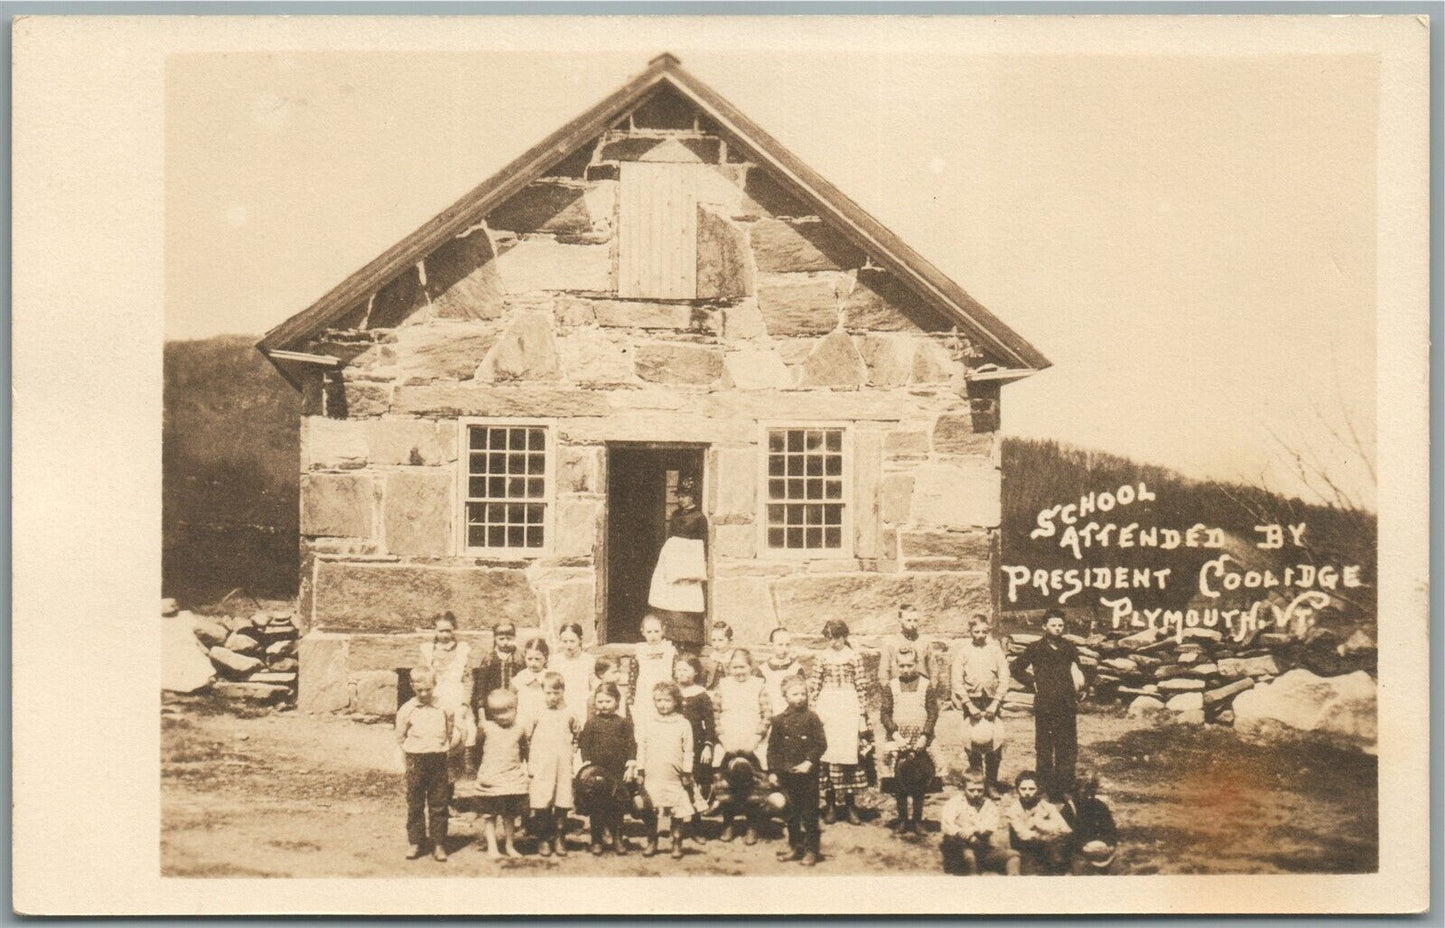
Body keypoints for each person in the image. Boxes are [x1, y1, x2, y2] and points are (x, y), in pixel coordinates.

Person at [1010, 614, 1084, 800]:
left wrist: (1083, 689)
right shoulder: (1036, 648)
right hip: (1045, 706)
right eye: (1054, 625)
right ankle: (1043, 786)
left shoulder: (1069, 648)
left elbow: (1079, 672)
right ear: (1044, 626)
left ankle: (1065, 785)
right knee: (1044, 747)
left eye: (1061, 625)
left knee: (1067, 746)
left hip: (1066, 704)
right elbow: (1016, 667)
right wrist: (1031, 682)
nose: (1058, 628)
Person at [809, 619, 873, 825]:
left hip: (848, 707)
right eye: (829, 637)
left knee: (848, 755)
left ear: (845, 636)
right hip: (828, 707)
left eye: (837, 637)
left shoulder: (853, 657)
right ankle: (829, 805)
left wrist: (862, 713)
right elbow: (815, 685)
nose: (833, 642)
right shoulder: (822, 657)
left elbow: (862, 686)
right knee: (828, 754)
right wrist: (813, 711)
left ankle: (850, 804)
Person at [395, 666, 462, 862]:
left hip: (438, 759)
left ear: (435, 686)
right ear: (412, 687)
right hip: (416, 759)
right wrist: (412, 752)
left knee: (439, 803)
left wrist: (443, 745)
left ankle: (439, 843)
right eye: (419, 690)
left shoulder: (444, 707)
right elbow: (400, 736)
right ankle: (416, 841)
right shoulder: (407, 709)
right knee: (415, 803)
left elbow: (449, 728)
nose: (424, 694)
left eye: (428, 690)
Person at [767, 675, 826, 867]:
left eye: (803, 693)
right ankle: (795, 847)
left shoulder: (812, 718)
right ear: (785, 696)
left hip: (807, 776)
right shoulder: (778, 721)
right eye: (795, 694)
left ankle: (811, 850)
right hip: (786, 775)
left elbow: (821, 744)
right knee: (791, 813)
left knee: (809, 813)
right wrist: (774, 772)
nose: (800, 697)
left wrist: (809, 761)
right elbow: (772, 749)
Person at [879, 646, 940, 835]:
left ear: (917, 664)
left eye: (910, 665)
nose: (905, 669)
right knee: (899, 782)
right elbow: (885, 713)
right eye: (901, 665)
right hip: (899, 739)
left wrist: (925, 735)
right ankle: (903, 819)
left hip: (920, 740)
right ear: (896, 665)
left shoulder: (925, 685)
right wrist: (895, 734)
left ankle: (918, 820)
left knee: (919, 781)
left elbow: (932, 712)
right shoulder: (891, 686)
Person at [712, 648, 770, 843]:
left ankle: (752, 825)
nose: (739, 671)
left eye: (743, 667)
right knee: (726, 783)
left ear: (751, 667)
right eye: (735, 667)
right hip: (728, 739)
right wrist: (723, 738)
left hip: (752, 740)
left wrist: (755, 738)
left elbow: (766, 714)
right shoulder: (723, 685)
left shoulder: (758, 685)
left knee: (753, 783)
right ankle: (728, 823)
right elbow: (715, 715)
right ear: (729, 668)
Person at [951, 614, 1011, 796]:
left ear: (989, 631)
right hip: (972, 701)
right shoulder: (963, 652)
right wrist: (968, 704)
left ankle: (991, 784)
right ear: (969, 631)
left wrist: (996, 702)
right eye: (976, 631)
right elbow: (956, 680)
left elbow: (1004, 677)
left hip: (991, 700)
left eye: (984, 631)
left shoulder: (995, 651)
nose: (980, 635)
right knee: (974, 744)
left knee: (993, 743)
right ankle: (977, 783)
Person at [635, 681, 696, 859]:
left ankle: (676, 841)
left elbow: (688, 751)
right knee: (649, 808)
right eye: (659, 700)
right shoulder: (649, 723)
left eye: (667, 700)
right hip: (653, 775)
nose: (663, 704)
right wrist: (640, 770)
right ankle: (652, 840)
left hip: (674, 776)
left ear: (676, 701)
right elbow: (642, 747)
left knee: (678, 809)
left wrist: (686, 772)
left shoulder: (683, 724)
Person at [647, 477, 709, 648]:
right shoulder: (675, 515)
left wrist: (696, 564)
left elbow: (702, 543)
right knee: (670, 595)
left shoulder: (699, 518)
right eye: (679, 496)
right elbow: (670, 538)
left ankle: (689, 639)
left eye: (684, 496)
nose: (681, 499)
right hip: (674, 560)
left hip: (689, 563)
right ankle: (672, 636)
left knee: (687, 594)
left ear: (692, 497)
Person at [576, 682, 636, 856]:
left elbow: (632, 744)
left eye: (608, 701)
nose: (603, 705)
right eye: (600, 701)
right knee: (597, 806)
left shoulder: (623, 723)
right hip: (597, 772)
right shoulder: (591, 723)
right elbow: (584, 745)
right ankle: (596, 840)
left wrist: (631, 762)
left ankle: (617, 838)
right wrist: (587, 762)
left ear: (616, 702)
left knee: (617, 806)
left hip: (617, 771)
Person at [526, 671, 579, 858]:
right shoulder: (536, 712)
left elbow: (576, 736)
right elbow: (527, 737)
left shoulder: (570, 712)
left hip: (563, 763)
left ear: (563, 691)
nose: (552, 697)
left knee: (562, 799)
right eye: (548, 693)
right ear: (542, 692)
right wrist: (530, 765)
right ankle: (543, 838)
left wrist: (572, 751)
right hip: (542, 763)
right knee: (542, 799)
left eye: (556, 693)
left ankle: (559, 837)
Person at [473, 688, 529, 860]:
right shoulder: (486, 728)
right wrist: (481, 771)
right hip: (490, 779)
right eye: (496, 713)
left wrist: (526, 770)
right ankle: (492, 847)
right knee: (489, 815)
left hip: (511, 779)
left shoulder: (520, 730)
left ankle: (510, 846)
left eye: (507, 711)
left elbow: (525, 751)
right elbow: (477, 752)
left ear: (516, 709)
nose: (502, 716)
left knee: (509, 815)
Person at [419, 612, 477, 777]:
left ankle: (467, 761)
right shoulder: (428, 650)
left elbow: (468, 680)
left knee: (467, 725)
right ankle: (444, 762)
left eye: (448, 631)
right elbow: (422, 676)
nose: (445, 635)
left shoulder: (462, 650)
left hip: (457, 693)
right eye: (441, 631)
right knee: (439, 727)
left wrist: (465, 703)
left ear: (454, 630)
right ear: (434, 631)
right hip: (437, 694)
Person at [939, 772, 1020, 875]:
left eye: (980, 790)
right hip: (960, 848)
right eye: (971, 790)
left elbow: (990, 826)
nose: (976, 794)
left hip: (982, 848)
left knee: (1013, 856)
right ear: (963, 788)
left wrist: (974, 829)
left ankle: (1015, 884)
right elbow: (947, 826)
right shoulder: (953, 804)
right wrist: (967, 837)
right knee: (969, 858)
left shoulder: (989, 805)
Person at [674, 654, 715, 839]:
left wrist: (708, 745)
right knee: (676, 784)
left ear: (695, 672)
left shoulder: (701, 695)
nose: (681, 673)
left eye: (686, 669)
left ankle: (696, 828)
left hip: (696, 746)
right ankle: (678, 827)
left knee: (695, 784)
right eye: (678, 669)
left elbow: (710, 723)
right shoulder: (672, 692)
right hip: (675, 745)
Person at [1003, 770, 1072, 875]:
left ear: (1038, 789)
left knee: (1059, 865)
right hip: (1025, 852)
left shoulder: (1046, 806)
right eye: (1023, 789)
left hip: (1048, 849)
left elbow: (1066, 829)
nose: (1027, 792)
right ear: (1017, 790)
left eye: (1031, 789)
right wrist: (1047, 832)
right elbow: (1024, 835)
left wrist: (1041, 824)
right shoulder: (1013, 811)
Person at [878, 604, 946, 699]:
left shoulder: (925, 642)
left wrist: (931, 688)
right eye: (908, 620)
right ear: (900, 620)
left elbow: (933, 668)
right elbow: (883, 672)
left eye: (915, 620)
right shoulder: (890, 643)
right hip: (899, 692)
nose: (912, 624)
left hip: (921, 691)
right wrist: (889, 693)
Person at [1059, 767, 1120, 875]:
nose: (1089, 796)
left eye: (1092, 792)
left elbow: (1111, 830)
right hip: (1079, 853)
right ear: (1076, 791)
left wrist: (1109, 845)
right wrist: (1083, 847)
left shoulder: (1100, 806)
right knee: (1082, 870)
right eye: (1084, 792)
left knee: (1118, 868)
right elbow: (1066, 837)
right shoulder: (1069, 809)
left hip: (1101, 853)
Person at [629, 614, 678, 729]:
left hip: (664, 690)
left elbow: (675, 672)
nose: (653, 635)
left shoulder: (669, 649)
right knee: (644, 721)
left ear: (663, 631)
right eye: (649, 632)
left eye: (656, 631)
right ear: (643, 632)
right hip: (644, 691)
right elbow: (633, 675)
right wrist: (631, 695)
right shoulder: (639, 650)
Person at [474, 621, 520, 721]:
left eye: (509, 638)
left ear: (514, 638)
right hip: (493, 704)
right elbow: (481, 686)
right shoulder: (489, 659)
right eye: (501, 639)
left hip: (514, 703)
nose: (505, 642)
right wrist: (481, 707)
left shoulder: (518, 658)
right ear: (495, 638)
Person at [551, 623, 592, 730]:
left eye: (572, 641)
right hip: (561, 704)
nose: (568, 646)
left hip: (582, 706)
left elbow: (594, 687)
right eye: (565, 641)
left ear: (580, 639)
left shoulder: (589, 660)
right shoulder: (555, 661)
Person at [757, 628, 805, 716]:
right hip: (771, 715)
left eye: (787, 645)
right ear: (771, 645)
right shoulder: (762, 670)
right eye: (780, 645)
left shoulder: (796, 669)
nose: (784, 649)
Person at [509, 637, 550, 726]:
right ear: (525, 658)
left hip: (544, 722)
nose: (533, 663)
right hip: (523, 721)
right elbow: (511, 702)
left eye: (537, 659)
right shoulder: (520, 678)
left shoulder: (549, 677)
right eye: (530, 659)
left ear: (545, 658)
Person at [700, 621, 735, 689]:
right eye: (713, 640)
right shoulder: (708, 659)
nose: (716, 644)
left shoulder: (735, 659)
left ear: (730, 641)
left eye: (720, 640)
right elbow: (702, 681)